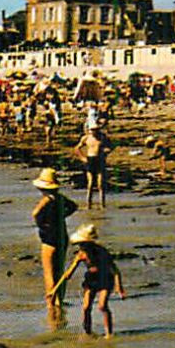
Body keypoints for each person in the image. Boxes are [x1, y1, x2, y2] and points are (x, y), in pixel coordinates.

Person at [50, 223, 126, 336]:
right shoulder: (81, 255)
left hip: (105, 278)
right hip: (91, 280)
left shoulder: (102, 252)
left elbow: (114, 270)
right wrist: (54, 290)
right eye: (80, 245)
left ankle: (109, 333)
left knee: (102, 305)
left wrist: (119, 287)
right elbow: (68, 274)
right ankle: (88, 333)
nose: (81, 247)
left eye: (83, 244)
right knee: (86, 308)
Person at [33, 168, 77, 321]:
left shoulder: (46, 200)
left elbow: (35, 214)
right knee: (60, 269)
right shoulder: (60, 198)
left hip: (49, 239)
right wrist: (61, 216)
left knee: (49, 272)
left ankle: (51, 303)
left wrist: (43, 225)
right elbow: (73, 206)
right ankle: (60, 299)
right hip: (62, 236)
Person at [73, 124, 110, 209]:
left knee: (100, 184)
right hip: (90, 159)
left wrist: (106, 152)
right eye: (92, 130)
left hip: (99, 160)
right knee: (90, 184)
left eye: (96, 130)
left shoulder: (102, 137)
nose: (94, 131)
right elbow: (77, 148)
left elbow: (110, 146)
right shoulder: (86, 138)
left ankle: (102, 204)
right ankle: (88, 205)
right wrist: (82, 158)